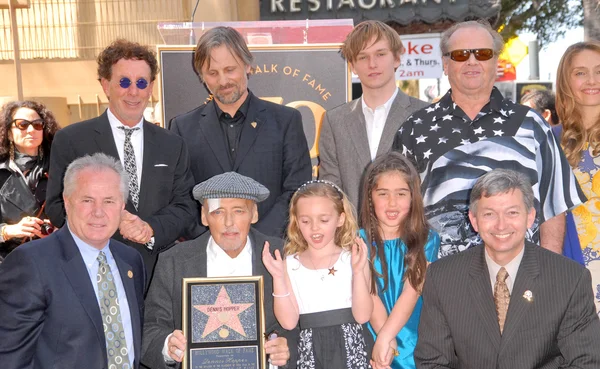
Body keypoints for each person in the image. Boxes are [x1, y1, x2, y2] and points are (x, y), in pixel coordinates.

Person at [392, 20, 585, 258]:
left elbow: (553, 209)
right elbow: (399, 211)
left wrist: (546, 278)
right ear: (445, 63)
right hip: (441, 282)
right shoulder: (413, 130)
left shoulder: (532, 126)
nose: (472, 61)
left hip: (522, 279)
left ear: (495, 62)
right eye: (460, 55)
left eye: (482, 54)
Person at [414, 169, 600, 369]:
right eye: (489, 214)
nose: (501, 225)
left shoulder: (570, 279)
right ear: (474, 220)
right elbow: (434, 365)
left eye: (512, 212)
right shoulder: (443, 278)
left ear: (530, 217)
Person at [46, 39, 197, 287]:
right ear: (106, 85)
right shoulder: (71, 140)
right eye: (124, 82)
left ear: (151, 88)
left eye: (141, 83)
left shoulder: (173, 144)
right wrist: (112, 225)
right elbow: (56, 206)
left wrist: (149, 228)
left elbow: (185, 205)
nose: (133, 92)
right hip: (93, 270)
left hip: (157, 274)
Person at [0, 153, 146, 369]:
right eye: (87, 200)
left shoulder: (130, 260)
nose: (98, 212)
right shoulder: (31, 263)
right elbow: (8, 363)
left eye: (109, 201)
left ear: (122, 206)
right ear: (67, 202)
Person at [142, 171, 298, 369]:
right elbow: (150, 328)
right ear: (204, 216)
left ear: (254, 213)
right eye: (218, 212)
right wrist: (169, 346)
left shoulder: (281, 254)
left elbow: (302, 325)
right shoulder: (174, 261)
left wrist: (285, 346)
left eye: (238, 211)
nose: (229, 223)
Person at [170, 26, 312, 238]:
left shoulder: (286, 121)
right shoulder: (183, 128)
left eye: (230, 70)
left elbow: (296, 190)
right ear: (202, 77)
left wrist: (256, 240)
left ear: (247, 65)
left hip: (272, 249)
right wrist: (213, 241)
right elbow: (182, 198)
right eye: (213, 73)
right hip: (208, 253)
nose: (223, 81)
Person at [263, 180, 389, 369]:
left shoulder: (352, 258)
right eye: (305, 220)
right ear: (296, 222)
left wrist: (359, 272)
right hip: (312, 354)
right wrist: (278, 277)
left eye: (323, 220)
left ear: (340, 218)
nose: (314, 228)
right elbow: (289, 322)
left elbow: (362, 315)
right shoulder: (289, 264)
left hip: (351, 351)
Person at [358, 152, 440, 369]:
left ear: (414, 197)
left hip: (412, 338)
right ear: (370, 197)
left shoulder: (426, 238)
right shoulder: (359, 241)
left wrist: (387, 337)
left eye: (401, 193)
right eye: (383, 193)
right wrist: (382, 339)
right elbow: (370, 293)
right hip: (372, 333)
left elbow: (412, 291)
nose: (392, 203)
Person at [319, 20, 427, 208]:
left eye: (380, 54)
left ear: (397, 58)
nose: (372, 64)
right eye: (363, 57)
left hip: (410, 235)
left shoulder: (424, 115)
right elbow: (331, 191)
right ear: (352, 65)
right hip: (352, 235)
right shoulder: (334, 121)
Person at [555, 40, 600, 316]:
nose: (592, 80)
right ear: (566, 81)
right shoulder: (550, 142)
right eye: (580, 72)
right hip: (576, 272)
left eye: (599, 71)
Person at [0, 100, 60, 261]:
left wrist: (60, 229)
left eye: (38, 124)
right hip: (11, 262)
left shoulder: (61, 167)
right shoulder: (1, 173)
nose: (31, 130)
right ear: (9, 133)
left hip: (56, 257)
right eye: (22, 124)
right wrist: (9, 231)